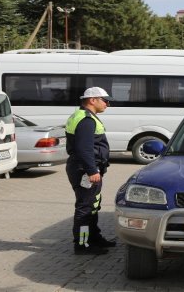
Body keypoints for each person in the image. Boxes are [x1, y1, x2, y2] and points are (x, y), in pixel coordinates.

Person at [65, 87, 116, 255]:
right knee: (86, 208)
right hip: (85, 170)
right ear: (92, 100)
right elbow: (84, 148)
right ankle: (83, 244)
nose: (107, 103)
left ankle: (94, 238)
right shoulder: (87, 120)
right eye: (105, 100)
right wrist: (92, 170)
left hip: (84, 168)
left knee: (93, 205)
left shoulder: (83, 116)